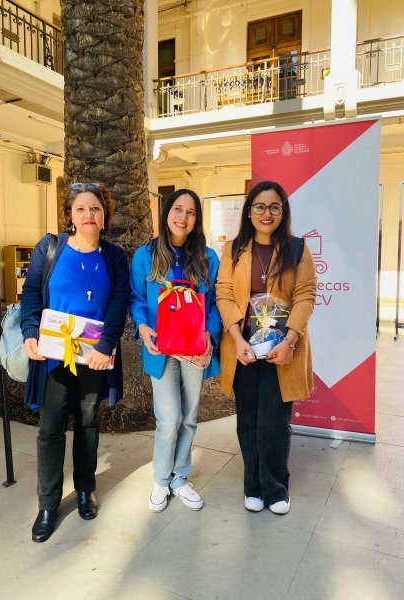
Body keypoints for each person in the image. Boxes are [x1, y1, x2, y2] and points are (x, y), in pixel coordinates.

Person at [21, 182, 130, 542]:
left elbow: (119, 303)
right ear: (70, 215)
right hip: (54, 356)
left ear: (104, 216)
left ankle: (85, 489)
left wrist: (107, 344)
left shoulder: (114, 257)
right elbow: (32, 292)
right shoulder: (49, 248)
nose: (88, 215)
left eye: (95, 208)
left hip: (94, 356)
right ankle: (48, 504)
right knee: (50, 427)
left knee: (88, 423)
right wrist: (30, 331)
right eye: (81, 208)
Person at [216, 180, 316, 515]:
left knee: (275, 418)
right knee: (248, 418)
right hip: (243, 343)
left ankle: (276, 488)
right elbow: (223, 294)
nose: (266, 213)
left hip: (282, 344)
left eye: (274, 206)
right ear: (249, 212)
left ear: (283, 212)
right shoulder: (233, 250)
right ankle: (253, 486)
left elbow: (305, 295)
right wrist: (236, 338)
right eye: (259, 206)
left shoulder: (297, 249)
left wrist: (289, 341)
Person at [129, 189, 222, 512]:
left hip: (194, 349)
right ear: (166, 212)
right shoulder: (146, 255)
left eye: (191, 212)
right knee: (169, 419)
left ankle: (180, 478)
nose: (183, 217)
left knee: (189, 417)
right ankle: (161, 478)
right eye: (178, 209)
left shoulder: (208, 258)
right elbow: (136, 299)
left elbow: (216, 303)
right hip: (161, 348)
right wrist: (142, 327)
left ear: (197, 219)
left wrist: (210, 335)